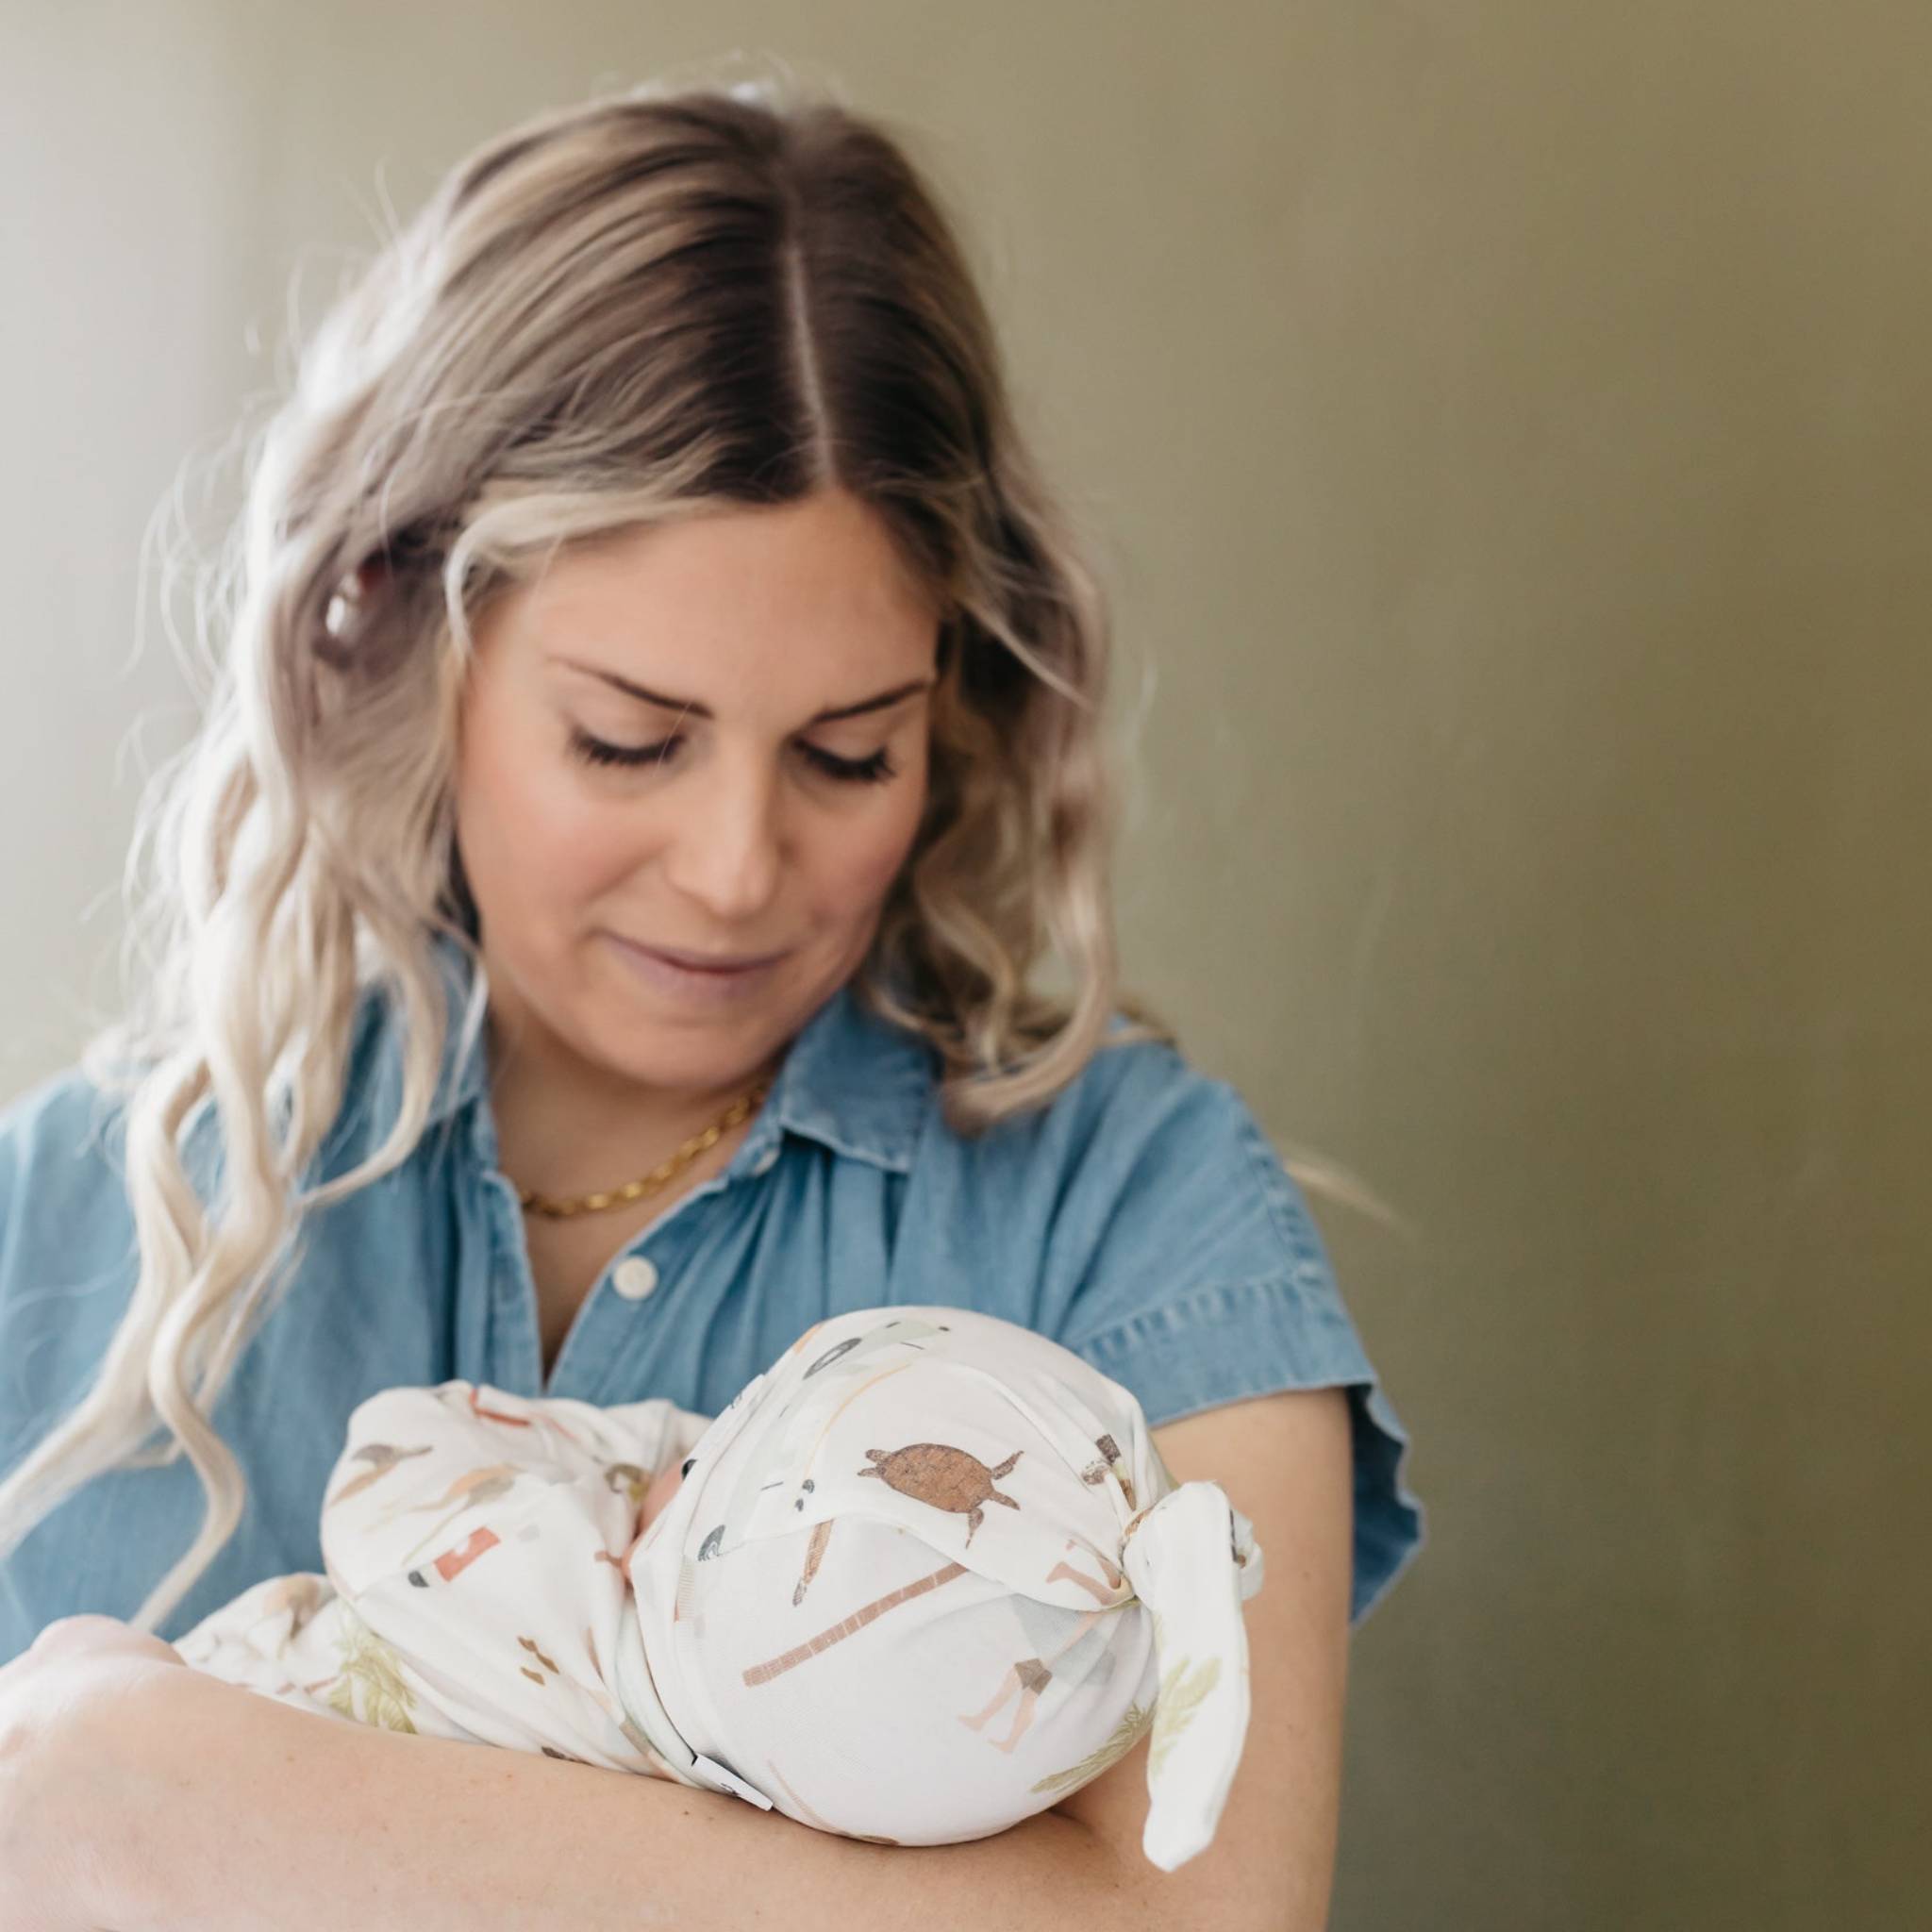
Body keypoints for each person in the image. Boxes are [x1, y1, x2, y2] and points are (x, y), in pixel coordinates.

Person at [0, 70, 1423, 1932]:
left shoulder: (1134, 1219)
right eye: (627, 739)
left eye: (846, 754)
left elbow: (1191, 1922)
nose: (740, 868)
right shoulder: (67, 1218)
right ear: (402, 628)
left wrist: (206, 1802)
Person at [172, 1304, 1271, 1873]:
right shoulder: (764, 1806)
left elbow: (395, 1445)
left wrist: (635, 1454)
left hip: (219, 1711)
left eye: (738, 1422)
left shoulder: (530, 1579)